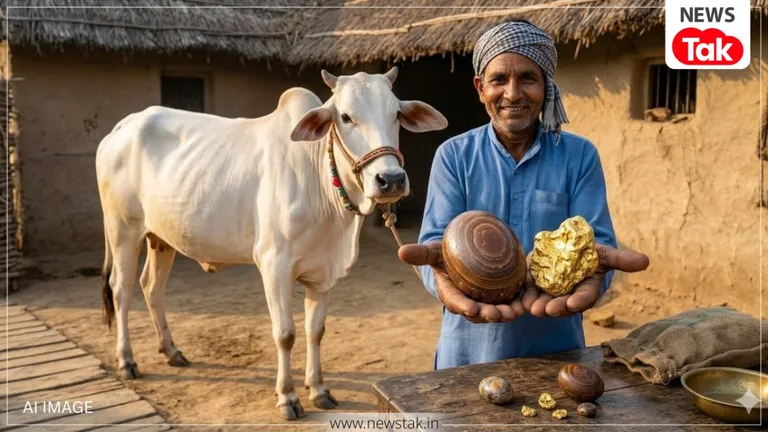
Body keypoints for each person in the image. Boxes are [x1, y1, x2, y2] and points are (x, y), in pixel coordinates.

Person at [397, 20, 650, 370]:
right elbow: (435, 248)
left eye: (528, 78)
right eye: (498, 79)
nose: (513, 94)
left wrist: (594, 272)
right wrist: (444, 279)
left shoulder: (579, 156)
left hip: (556, 349)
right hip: (468, 353)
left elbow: (597, 244)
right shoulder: (454, 156)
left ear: (546, 86)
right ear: (480, 87)